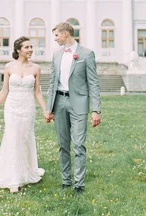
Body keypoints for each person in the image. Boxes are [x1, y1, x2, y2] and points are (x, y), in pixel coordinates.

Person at [44, 21, 101, 195]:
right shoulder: (55, 55)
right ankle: (65, 180)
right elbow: (52, 82)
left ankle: (79, 184)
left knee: (79, 145)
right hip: (59, 102)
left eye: (56, 35)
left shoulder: (87, 54)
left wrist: (96, 110)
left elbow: (93, 83)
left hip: (79, 104)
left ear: (65, 34)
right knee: (63, 145)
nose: (55, 39)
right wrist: (48, 107)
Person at [0, 36, 48, 193]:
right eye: (27, 47)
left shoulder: (36, 68)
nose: (30, 50)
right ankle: (13, 178)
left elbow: (38, 93)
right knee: (13, 137)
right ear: (18, 50)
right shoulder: (9, 67)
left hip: (28, 107)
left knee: (24, 138)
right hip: (12, 107)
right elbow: (5, 90)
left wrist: (45, 109)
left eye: (31, 47)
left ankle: (27, 171)